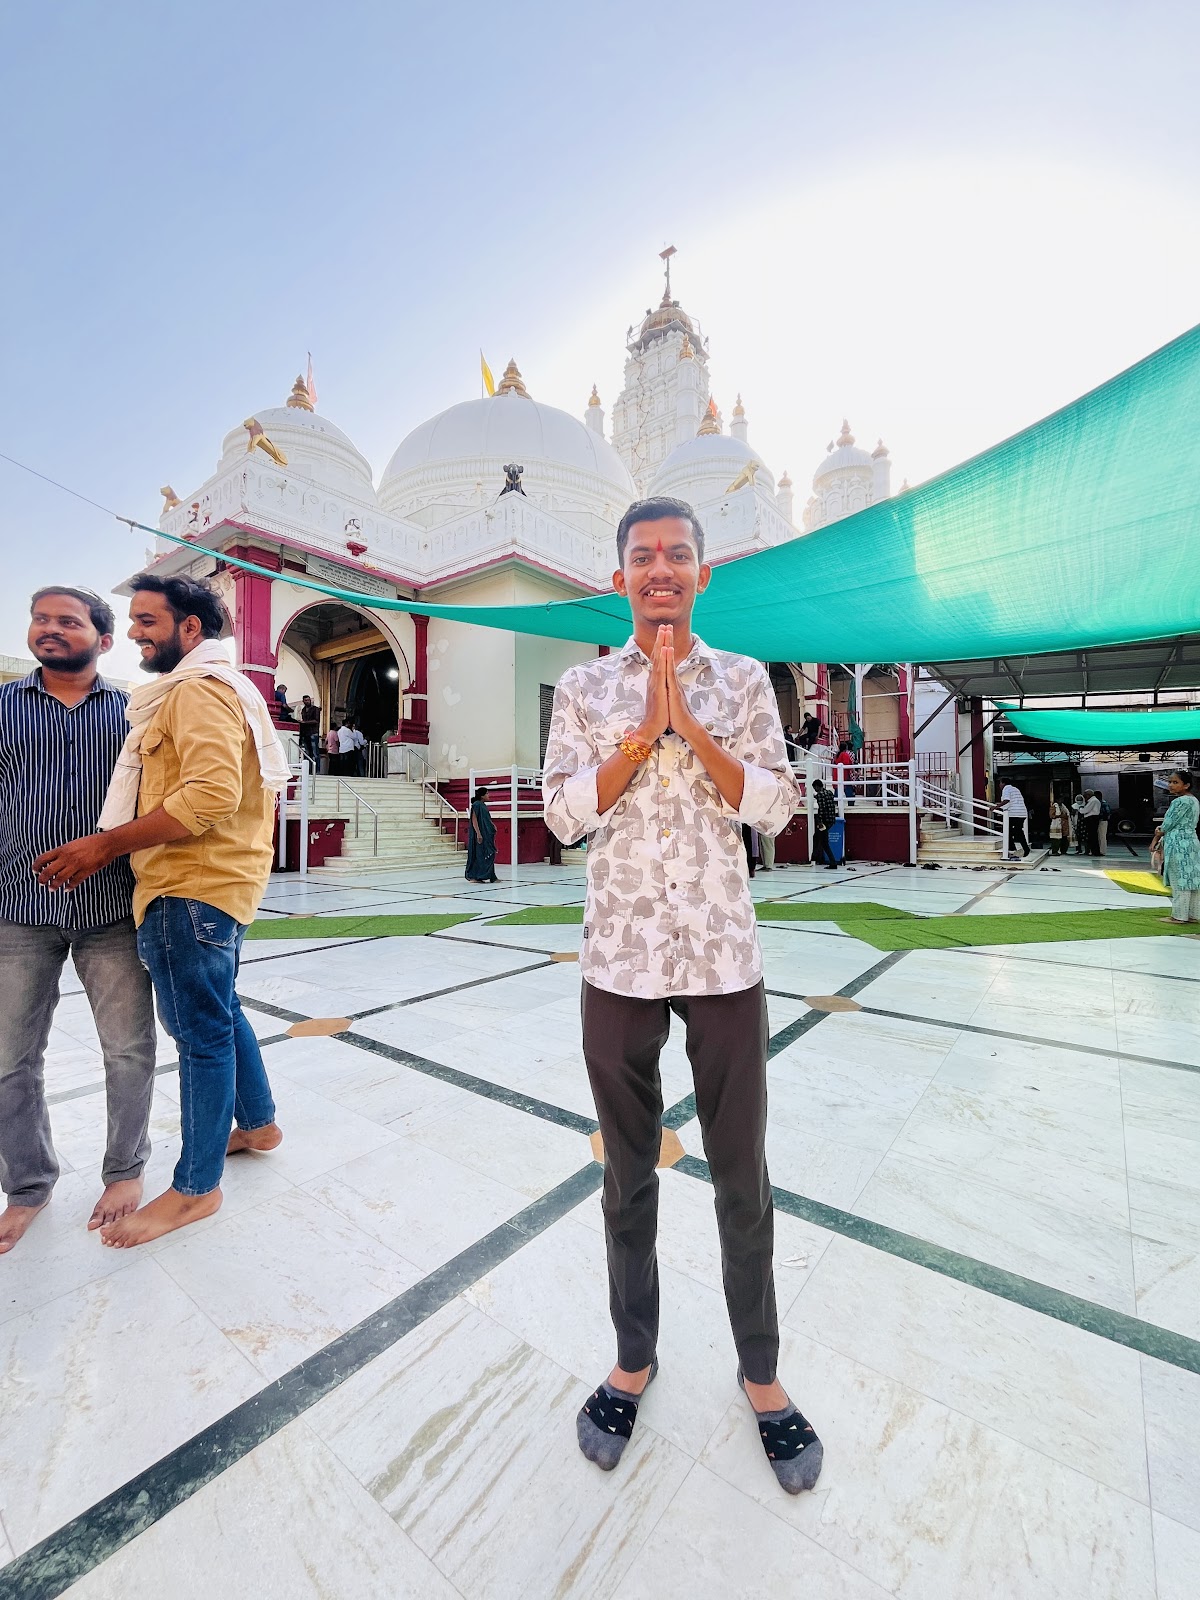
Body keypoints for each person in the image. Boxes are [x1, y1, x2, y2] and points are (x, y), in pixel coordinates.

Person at [544, 495, 821, 1496]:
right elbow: (562, 815)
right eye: (642, 555)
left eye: (677, 555)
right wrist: (636, 737)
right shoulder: (583, 686)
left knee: (742, 1173)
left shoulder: (744, 680)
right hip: (619, 959)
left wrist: (686, 725)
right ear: (618, 575)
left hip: (721, 957)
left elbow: (776, 806)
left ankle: (761, 1372)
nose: (659, 569)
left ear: (703, 572)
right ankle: (633, 1357)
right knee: (627, 1172)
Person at [33, 573, 290, 1247]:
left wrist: (103, 845)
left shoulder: (195, 692)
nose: (136, 634)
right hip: (216, 886)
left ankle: (195, 1189)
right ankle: (257, 1124)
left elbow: (209, 796)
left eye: (148, 621)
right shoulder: (212, 688)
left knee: (201, 1036)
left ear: (190, 628)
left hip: (188, 887)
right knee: (222, 1011)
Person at [0, 588, 158, 1254]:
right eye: (41, 619)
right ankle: (28, 1184)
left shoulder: (136, 712)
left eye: (69, 621)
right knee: (9, 1058)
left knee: (128, 1051)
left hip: (111, 909)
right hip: (18, 909)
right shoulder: (3, 707)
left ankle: (124, 1171)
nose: (51, 629)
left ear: (104, 640)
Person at [1152, 770, 1200, 924]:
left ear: (1186, 785)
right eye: (1170, 782)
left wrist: (1156, 836)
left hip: (1178, 843)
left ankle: (1179, 915)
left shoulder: (1179, 802)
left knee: (1179, 879)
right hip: (1191, 841)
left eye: (1175, 782)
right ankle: (1193, 914)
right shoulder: (1194, 800)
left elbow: (1167, 824)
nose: (1171, 785)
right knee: (1192, 879)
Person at [465, 785, 499, 882]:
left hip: (487, 834)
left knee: (490, 854)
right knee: (479, 855)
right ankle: (475, 876)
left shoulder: (483, 805)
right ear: (482, 795)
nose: (489, 795)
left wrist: (492, 825)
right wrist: (478, 834)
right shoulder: (476, 805)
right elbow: (474, 820)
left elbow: (486, 818)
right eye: (487, 793)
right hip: (480, 834)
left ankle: (491, 876)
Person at [811, 777, 838, 868]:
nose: (815, 790)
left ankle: (818, 858)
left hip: (824, 821)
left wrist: (819, 821)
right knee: (820, 839)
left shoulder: (820, 795)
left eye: (815, 788)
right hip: (831, 820)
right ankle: (815, 857)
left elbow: (821, 809)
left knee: (822, 841)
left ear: (817, 786)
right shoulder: (830, 793)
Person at [999, 780, 1029, 859]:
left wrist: (996, 807)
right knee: (1018, 831)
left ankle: (1012, 848)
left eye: (1000, 783)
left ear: (1003, 783)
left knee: (1007, 830)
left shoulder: (1006, 789)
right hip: (1022, 813)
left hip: (1014, 813)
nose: (999, 785)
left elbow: (1006, 800)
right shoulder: (1015, 789)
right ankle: (1025, 848)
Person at [298, 694, 321, 767]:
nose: (308, 701)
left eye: (308, 700)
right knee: (307, 752)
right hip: (306, 733)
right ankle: (309, 768)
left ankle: (316, 769)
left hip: (313, 732)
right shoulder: (303, 710)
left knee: (315, 752)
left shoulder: (315, 709)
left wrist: (305, 722)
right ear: (303, 701)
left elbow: (316, 720)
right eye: (306, 700)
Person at [1081, 790, 1102, 856]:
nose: (1084, 796)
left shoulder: (1093, 801)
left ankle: (1095, 851)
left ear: (1089, 795)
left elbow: (1085, 810)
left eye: (1085, 795)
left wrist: (1080, 808)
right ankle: (1094, 851)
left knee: (1093, 836)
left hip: (1092, 819)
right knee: (1092, 835)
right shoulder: (1093, 800)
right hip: (1093, 818)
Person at [1096, 791, 1110, 856]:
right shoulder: (1098, 803)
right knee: (1099, 836)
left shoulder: (1104, 803)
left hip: (1103, 821)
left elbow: (1107, 812)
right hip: (1098, 821)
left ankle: (1102, 851)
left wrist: (1102, 817)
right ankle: (1099, 850)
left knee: (1102, 836)